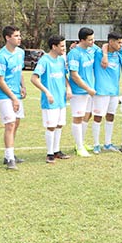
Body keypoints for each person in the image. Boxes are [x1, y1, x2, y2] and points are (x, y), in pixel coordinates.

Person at [31, 35, 72, 164]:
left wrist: (68, 88)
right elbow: (34, 78)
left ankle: (56, 150)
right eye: (62, 46)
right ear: (54, 47)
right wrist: (47, 92)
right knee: (51, 127)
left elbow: (64, 76)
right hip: (50, 100)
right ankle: (49, 153)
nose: (64, 49)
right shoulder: (44, 60)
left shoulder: (61, 60)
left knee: (60, 125)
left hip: (61, 99)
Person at [0, 26, 26, 170]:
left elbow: (20, 72)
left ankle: (9, 155)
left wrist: (23, 86)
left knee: (16, 124)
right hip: (5, 95)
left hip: (16, 95)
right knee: (10, 124)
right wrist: (13, 97)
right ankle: (10, 158)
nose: (19, 38)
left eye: (19, 35)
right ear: (8, 37)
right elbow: (0, 80)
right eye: (16, 36)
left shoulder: (21, 53)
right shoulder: (1, 56)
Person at [67, 27, 97, 157]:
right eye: (90, 40)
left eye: (93, 39)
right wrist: (87, 89)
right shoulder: (74, 54)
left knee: (87, 116)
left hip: (89, 91)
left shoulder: (91, 50)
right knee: (78, 118)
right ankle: (79, 147)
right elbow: (74, 75)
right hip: (79, 91)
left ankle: (81, 142)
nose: (93, 42)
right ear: (82, 40)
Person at [91, 31, 122, 153]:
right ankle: (96, 144)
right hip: (101, 91)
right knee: (98, 116)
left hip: (114, 92)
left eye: (121, 42)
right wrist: (104, 54)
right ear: (111, 42)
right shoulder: (98, 53)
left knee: (111, 116)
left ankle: (108, 143)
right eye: (118, 43)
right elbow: (87, 45)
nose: (121, 45)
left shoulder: (119, 54)